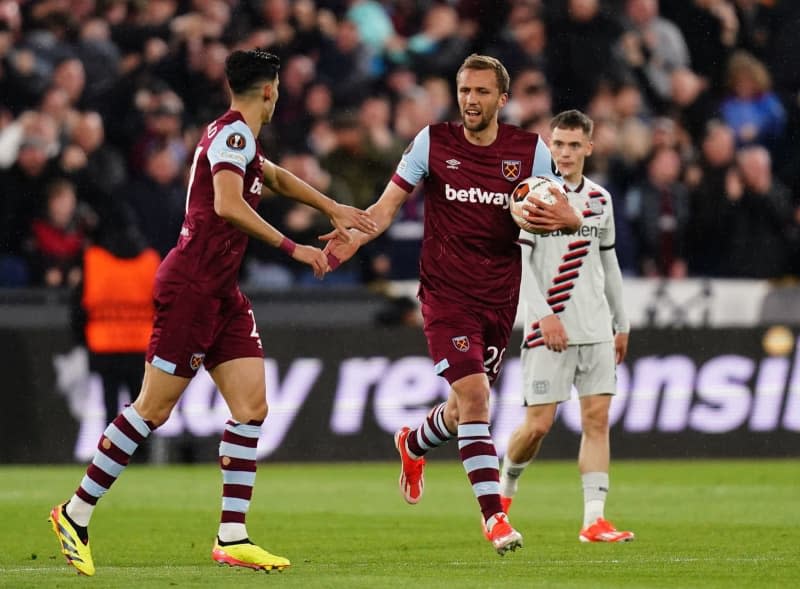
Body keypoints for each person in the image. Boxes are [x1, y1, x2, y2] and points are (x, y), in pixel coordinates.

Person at [49, 48, 377, 576]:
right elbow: (228, 203)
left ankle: (232, 535)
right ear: (269, 90)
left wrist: (333, 207)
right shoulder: (232, 135)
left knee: (251, 406)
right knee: (152, 410)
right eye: (277, 90)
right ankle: (74, 512)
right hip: (192, 288)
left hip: (221, 292)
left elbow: (275, 179)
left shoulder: (238, 136)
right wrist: (294, 248)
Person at [323, 54, 582, 555]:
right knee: (477, 399)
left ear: (502, 100)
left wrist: (565, 220)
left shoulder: (529, 152)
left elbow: (565, 210)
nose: (471, 100)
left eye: (482, 92)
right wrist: (358, 235)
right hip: (445, 293)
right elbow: (383, 210)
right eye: (465, 90)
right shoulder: (431, 141)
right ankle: (494, 520)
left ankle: (414, 442)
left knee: (464, 408)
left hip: (498, 294)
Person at [498, 109, 634, 543]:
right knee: (537, 425)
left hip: (595, 327)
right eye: (559, 144)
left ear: (589, 148)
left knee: (597, 419)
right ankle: (502, 492)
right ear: (549, 146)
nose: (567, 152)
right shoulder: (534, 196)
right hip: (548, 329)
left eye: (575, 144)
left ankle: (594, 519)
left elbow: (608, 262)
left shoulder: (600, 200)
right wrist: (543, 317)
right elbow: (521, 264)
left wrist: (622, 321)